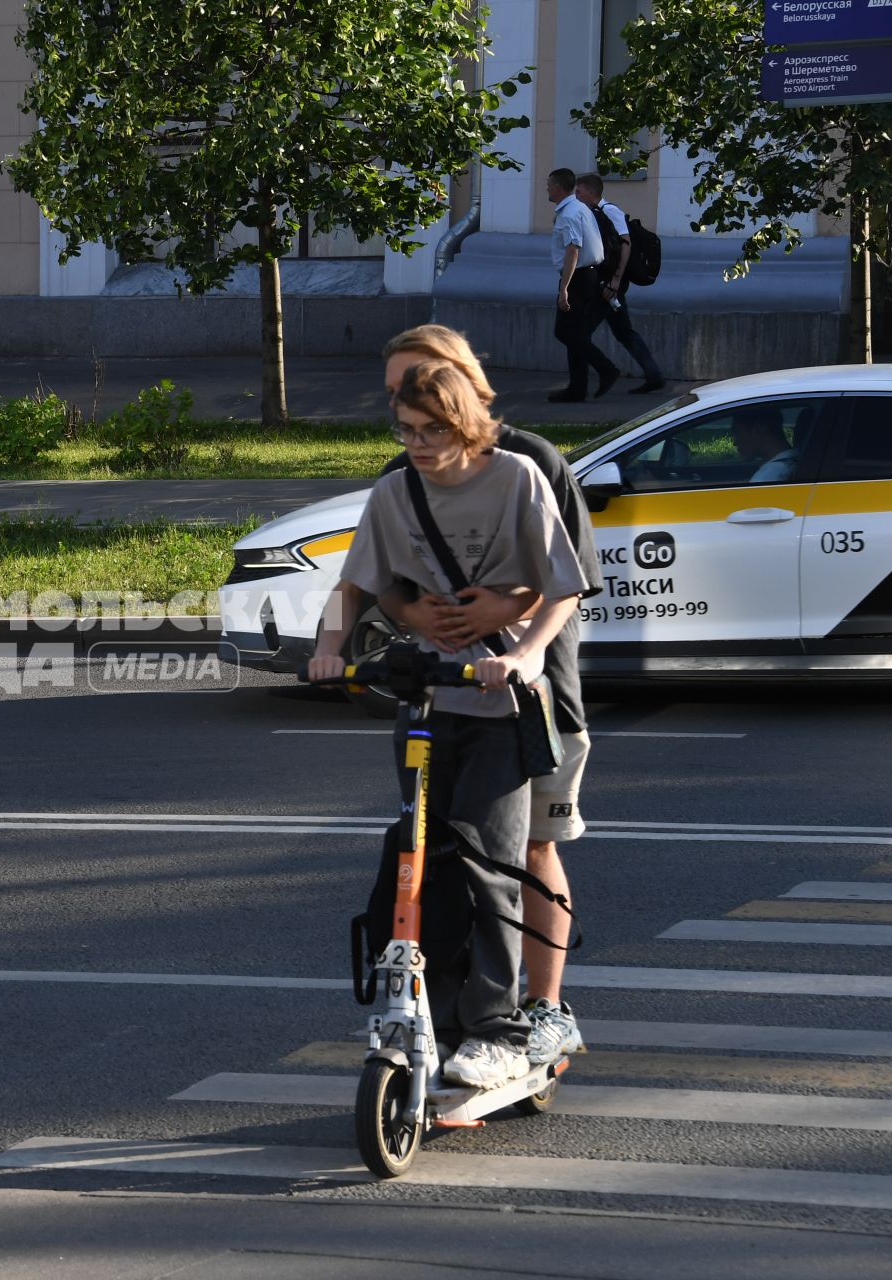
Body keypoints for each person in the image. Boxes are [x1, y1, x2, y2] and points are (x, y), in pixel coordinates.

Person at [312, 361, 593, 1088]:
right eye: (407, 431)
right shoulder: (394, 492)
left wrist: (527, 655)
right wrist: (328, 649)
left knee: (488, 864)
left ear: (467, 423)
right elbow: (357, 586)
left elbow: (565, 586)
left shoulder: (517, 479)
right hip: (431, 706)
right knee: (418, 862)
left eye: (434, 431)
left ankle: (498, 1029)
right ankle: (431, 1013)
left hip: (503, 706)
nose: (420, 445)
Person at [574, 173, 666, 395]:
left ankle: (589, 380)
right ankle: (654, 375)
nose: (576, 195)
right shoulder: (590, 213)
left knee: (578, 333)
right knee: (624, 332)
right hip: (604, 282)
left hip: (610, 283)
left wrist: (615, 281)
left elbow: (626, 245)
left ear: (590, 192)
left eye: (578, 191)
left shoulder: (610, 211)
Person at [544, 167, 619, 404]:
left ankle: (606, 368)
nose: (547, 188)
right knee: (576, 333)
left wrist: (564, 288)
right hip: (587, 276)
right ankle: (577, 389)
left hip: (578, 278)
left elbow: (573, 250)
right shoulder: (580, 208)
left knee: (565, 332)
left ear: (558, 187)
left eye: (549, 184)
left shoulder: (569, 213)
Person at [733, 406, 798, 482]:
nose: (735, 443)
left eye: (737, 433)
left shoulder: (768, 476)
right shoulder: (795, 460)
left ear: (758, 430)